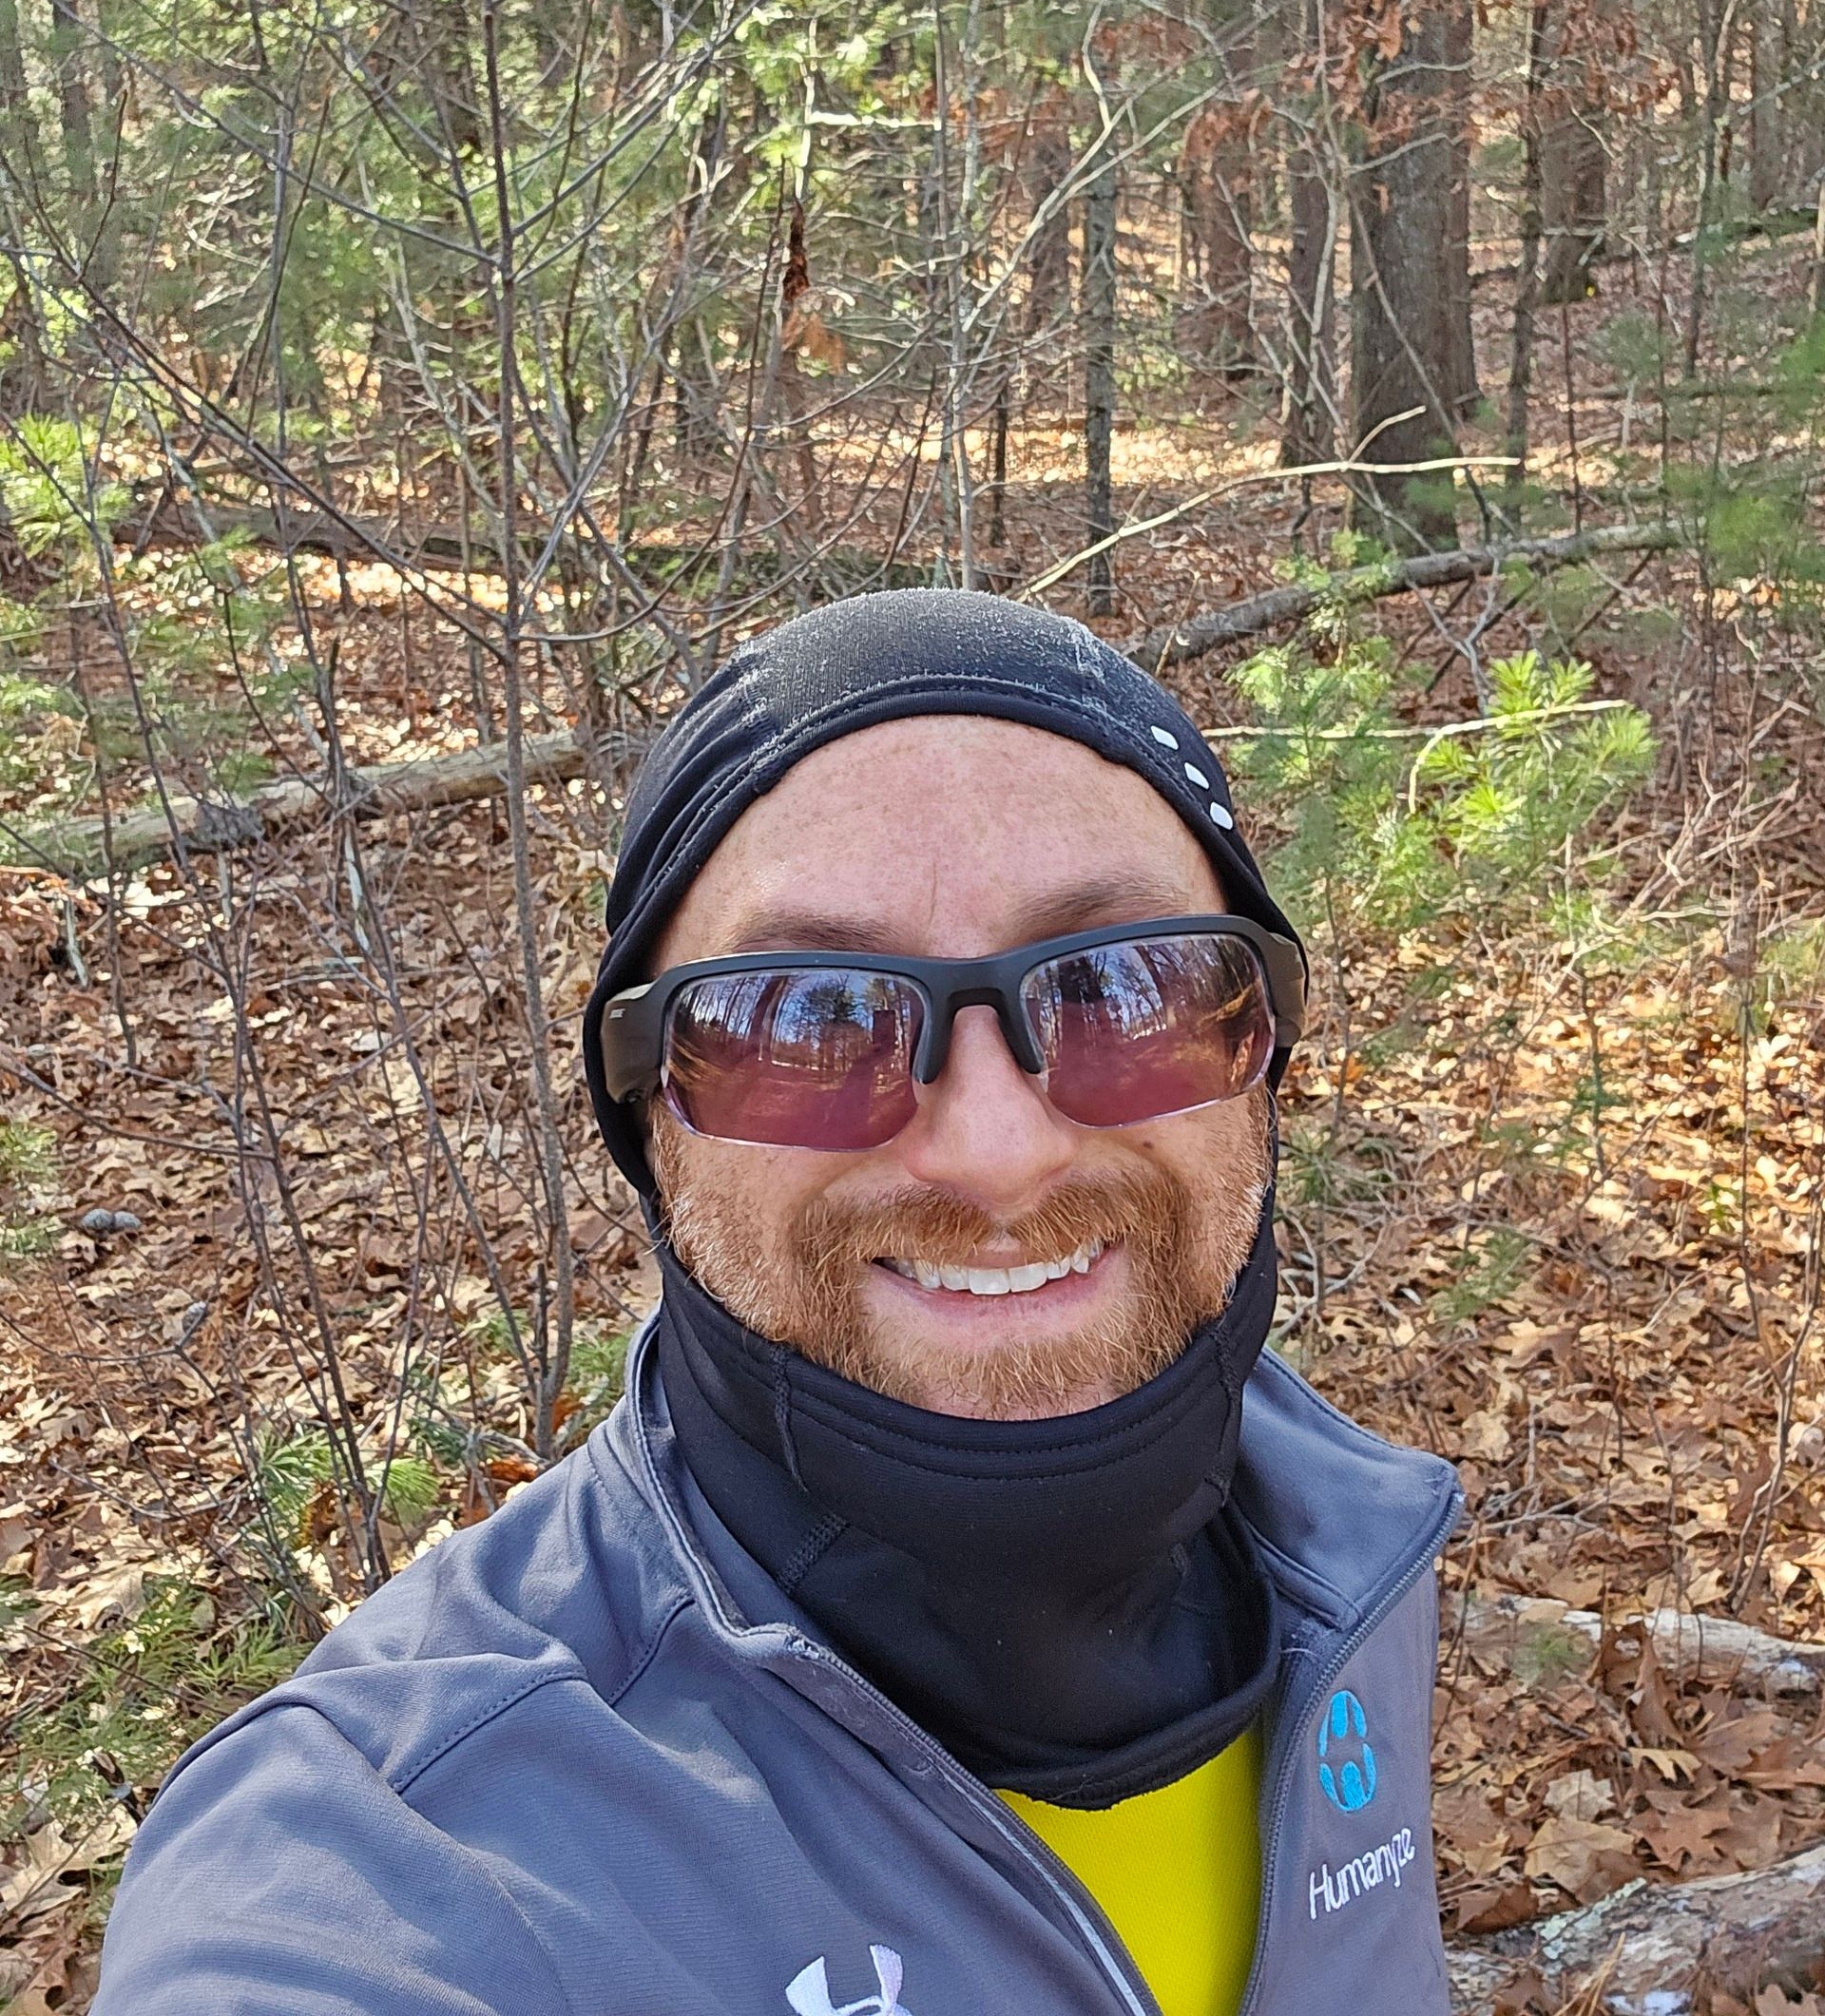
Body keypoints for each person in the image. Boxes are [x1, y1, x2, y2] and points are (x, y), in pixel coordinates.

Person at [94, 590, 1462, 2016]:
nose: (994, 1153)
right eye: (807, 1023)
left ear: (1262, 1054)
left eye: (1127, 988)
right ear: (648, 1120)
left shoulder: (1347, 1552)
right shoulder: (396, 1867)